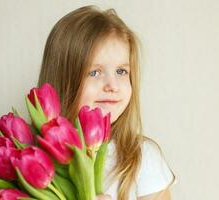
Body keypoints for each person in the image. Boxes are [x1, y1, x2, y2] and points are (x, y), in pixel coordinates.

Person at [37, 5, 177, 200]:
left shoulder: (142, 158)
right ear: (64, 81)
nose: (113, 85)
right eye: (94, 72)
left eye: (121, 71)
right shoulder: (38, 161)